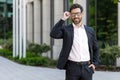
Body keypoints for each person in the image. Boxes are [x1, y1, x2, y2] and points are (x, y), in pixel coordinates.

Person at [50, 3, 99, 80]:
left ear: (82, 14)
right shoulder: (66, 30)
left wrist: (94, 64)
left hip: (87, 68)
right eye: (73, 14)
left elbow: (96, 48)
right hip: (72, 68)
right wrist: (63, 19)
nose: (75, 16)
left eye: (77, 13)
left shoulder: (90, 30)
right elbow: (53, 34)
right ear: (70, 15)